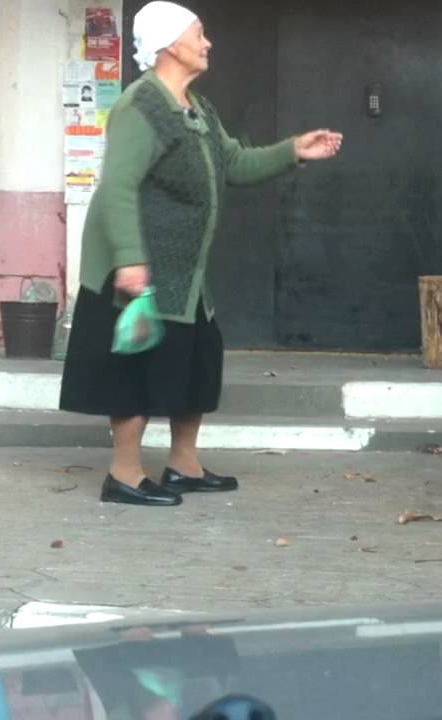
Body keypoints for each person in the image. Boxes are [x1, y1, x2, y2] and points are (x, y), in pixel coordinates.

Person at [59, 1, 343, 507]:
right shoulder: (140, 106)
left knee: (195, 361)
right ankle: (124, 474)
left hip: (184, 271)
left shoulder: (197, 107)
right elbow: (119, 187)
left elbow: (234, 162)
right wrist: (130, 259)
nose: (207, 43)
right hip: (138, 268)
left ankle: (183, 465)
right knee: (134, 371)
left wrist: (293, 150)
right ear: (170, 44)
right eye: (199, 34)